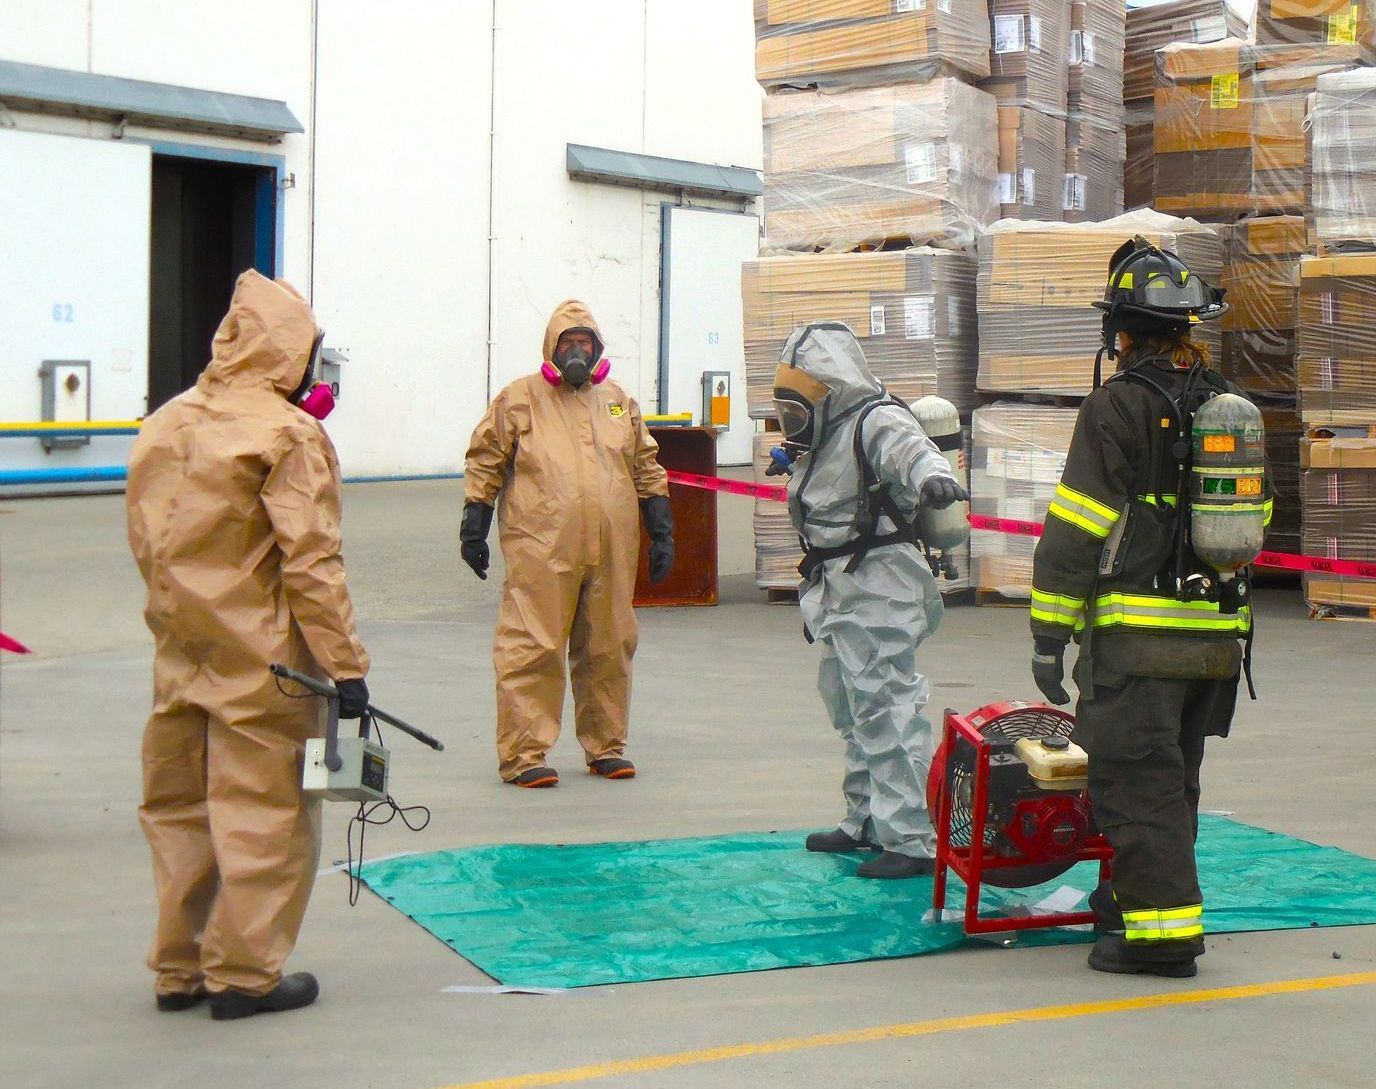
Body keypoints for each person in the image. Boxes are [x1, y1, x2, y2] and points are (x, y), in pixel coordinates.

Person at [126, 270, 370, 1020]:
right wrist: (346, 666)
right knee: (266, 811)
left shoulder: (166, 422)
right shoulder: (289, 433)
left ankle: (178, 966)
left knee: (181, 808)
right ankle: (243, 972)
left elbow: (149, 539)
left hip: (180, 650)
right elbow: (310, 563)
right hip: (265, 662)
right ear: (290, 350)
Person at [1029, 238, 1272, 978]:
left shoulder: (1116, 408)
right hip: (1214, 647)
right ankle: (1130, 902)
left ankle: (1161, 938)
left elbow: (1075, 529)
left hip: (1139, 646)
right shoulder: (1225, 404)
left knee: (1137, 788)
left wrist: (1049, 633)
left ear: (1122, 332)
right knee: (1172, 783)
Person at [773, 322, 968, 879]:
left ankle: (911, 839)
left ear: (830, 388)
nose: (794, 418)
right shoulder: (827, 428)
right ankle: (865, 819)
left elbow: (912, 451)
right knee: (850, 703)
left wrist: (933, 478)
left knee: (885, 707)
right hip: (840, 584)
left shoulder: (876, 419)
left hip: (879, 584)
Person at [461, 300, 674, 787]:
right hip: (541, 544)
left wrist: (661, 527)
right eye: (568, 343)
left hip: (612, 547)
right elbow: (486, 459)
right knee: (531, 644)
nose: (577, 350)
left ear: (598, 349)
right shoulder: (520, 399)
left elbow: (645, 464)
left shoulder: (618, 401)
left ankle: (607, 746)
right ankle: (524, 753)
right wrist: (475, 519)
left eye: (585, 343)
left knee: (609, 644)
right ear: (551, 348)